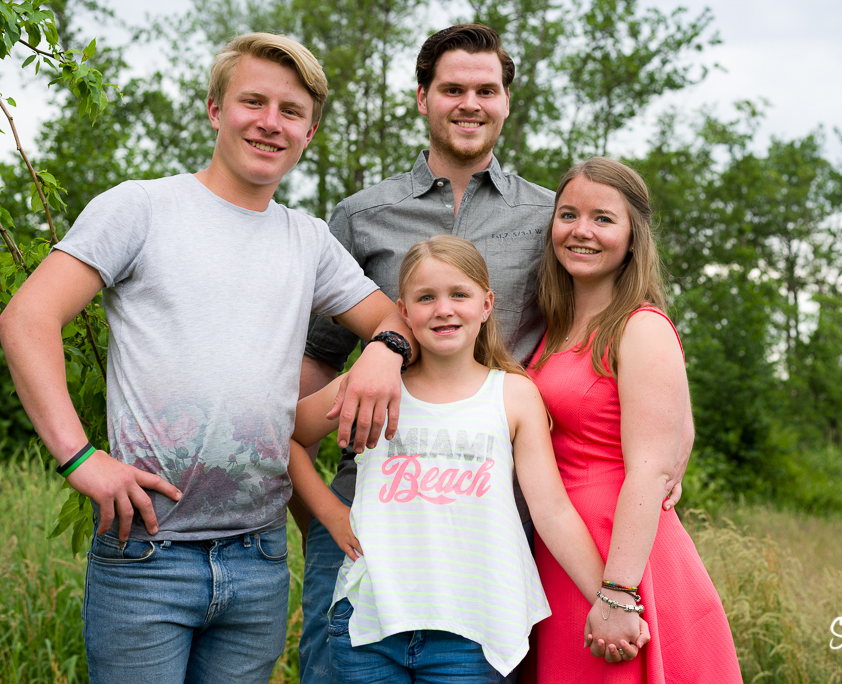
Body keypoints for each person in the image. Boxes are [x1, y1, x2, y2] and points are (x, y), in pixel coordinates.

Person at [0, 33, 414, 683]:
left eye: (291, 111)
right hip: (148, 557)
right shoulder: (141, 208)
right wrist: (79, 458)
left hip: (259, 556)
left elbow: (393, 319)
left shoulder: (308, 240)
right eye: (253, 101)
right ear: (215, 109)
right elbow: (26, 318)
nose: (270, 122)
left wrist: (386, 350)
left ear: (309, 131)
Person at [295, 24, 693, 683]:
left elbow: (626, 325)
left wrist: (676, 443)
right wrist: (315, 510)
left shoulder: (554, 218)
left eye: (487, 89)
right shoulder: (361, 216)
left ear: (508, 100)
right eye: (451, 88)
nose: (469, 103)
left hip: (492, 517)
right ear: (422, 97)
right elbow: (317, 358)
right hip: (368, 509)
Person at [288, 236, 648, 683]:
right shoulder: (372, 386)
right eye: (426, 298)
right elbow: (284, 436)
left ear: (486, 303)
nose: (443, 309)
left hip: (474, 634)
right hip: (369, 626)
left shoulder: (513, 395)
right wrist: (330, 513)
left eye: (459, 294)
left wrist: (613, 599)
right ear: (403, 311)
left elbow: (552, 511)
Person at [527, 157, 742, 682]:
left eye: (603, 218)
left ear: (631, 237)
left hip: (621, 556)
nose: (582, 231)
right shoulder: (556, 326)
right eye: (568, 214)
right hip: (562, 551)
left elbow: (649, 468)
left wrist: (620, 592)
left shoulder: (640, 326)